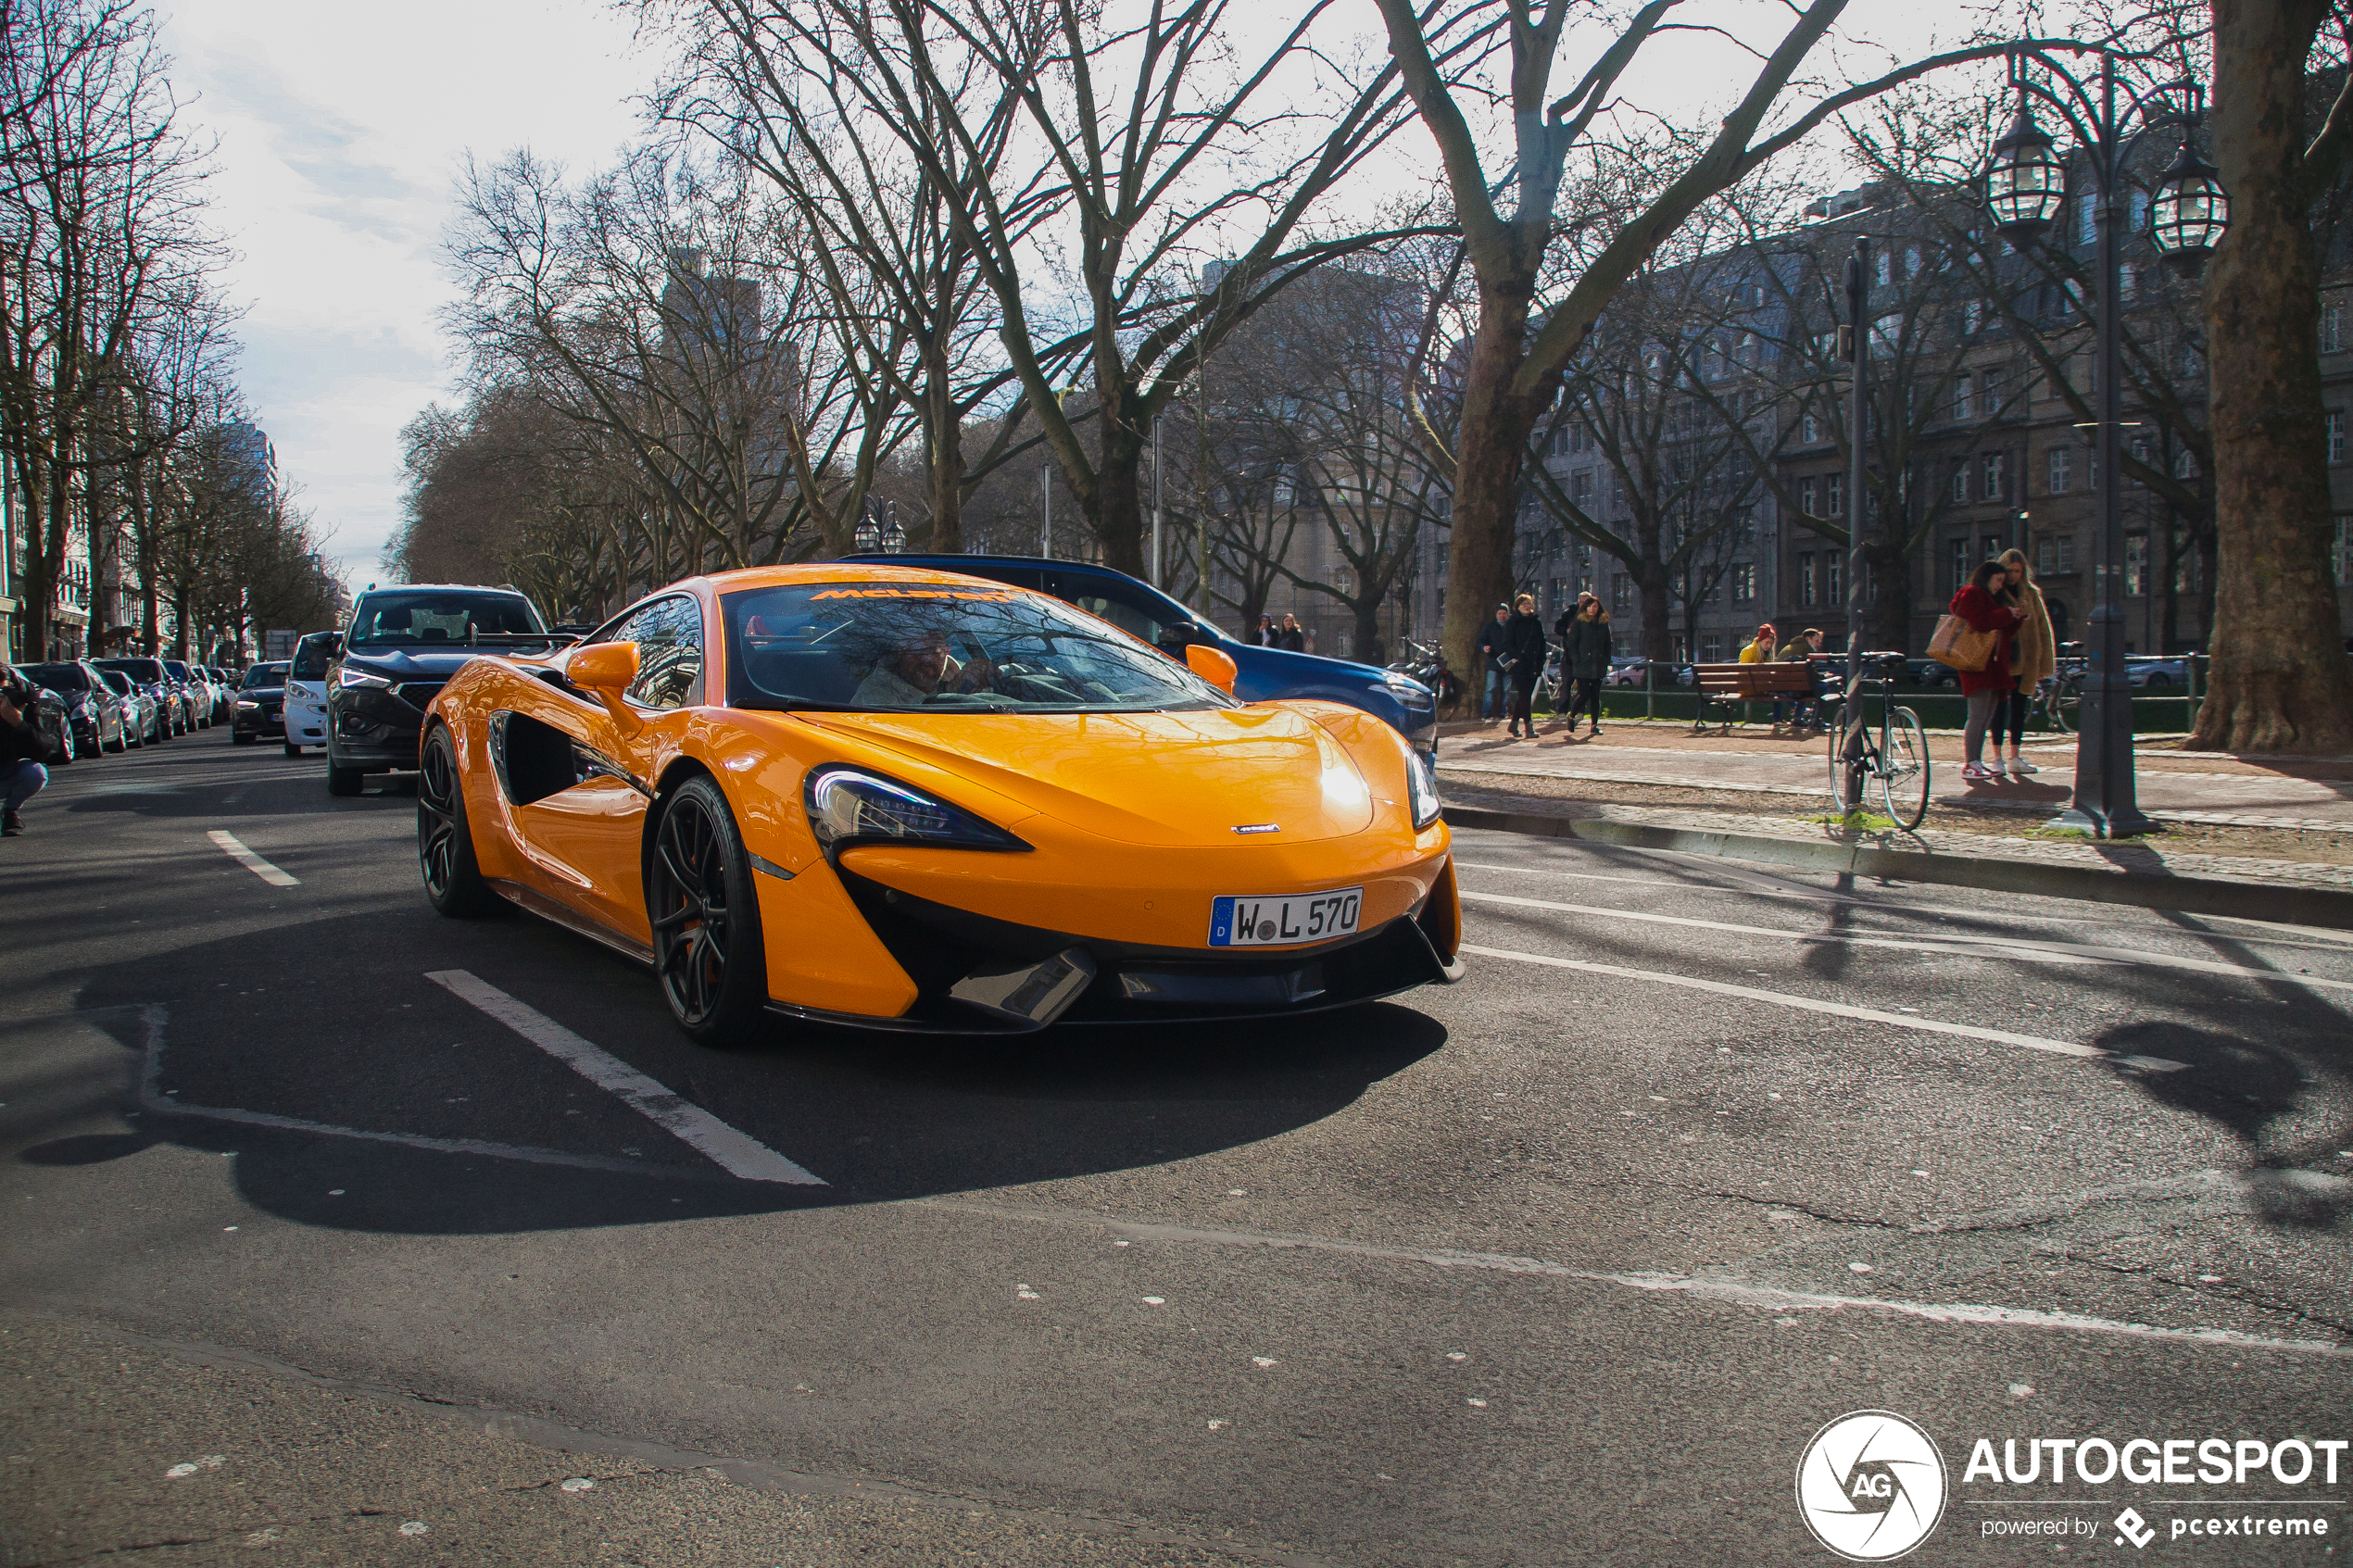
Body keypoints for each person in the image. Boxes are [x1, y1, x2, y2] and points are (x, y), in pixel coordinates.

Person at [1949, 559, 2026, 782]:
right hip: (1978, 664)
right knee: (1978, 715)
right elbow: (1980, 623)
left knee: (1986, 716)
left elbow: (2000, 629)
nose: (2001, 585)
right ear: (1987, 577)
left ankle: (1976, 761)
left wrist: (2014, 618)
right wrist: (2007, 614)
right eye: (1998, 580)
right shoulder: (1972, 594)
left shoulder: (1987, 598)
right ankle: (1970, 763)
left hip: (1991, 665)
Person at [1998, 547, 2056, 776]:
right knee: (1999, 708)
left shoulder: (2031, 594)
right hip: (2003, 658)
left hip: (2026, 658)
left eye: (2018, 571)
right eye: (2010, 570)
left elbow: (2043, 627)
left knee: (2019, 708)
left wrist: (2044, 665)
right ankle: (1996, 758)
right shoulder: (1995, 591)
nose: (2013, 575)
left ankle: (2014, 755)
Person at [851, 630, 996, 708]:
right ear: (900, 652)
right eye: (916, 650)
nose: (926, 659)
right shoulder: (875, 695)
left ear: (946, 651)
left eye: (935, 651)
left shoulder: (972, 676)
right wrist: (949, 694)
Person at [1, 674, 57, 836]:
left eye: (3, 691)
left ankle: (10, 811)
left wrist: (19, 724)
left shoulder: (20, 707)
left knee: (35, 773)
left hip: (5, 772)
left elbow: (42, 750)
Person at [1561, 596, 1613, 738]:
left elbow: (1608, 643)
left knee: (1595, 695)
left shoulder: (1603, 623)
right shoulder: (1579, 621)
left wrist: (1606, 660)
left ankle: (1594, 725)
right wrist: (1577, 659)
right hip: (1582, 664)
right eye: (1590, 606)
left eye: (1595, 606)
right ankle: (1571, 716)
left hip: (1598, 664)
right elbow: (1571, 643)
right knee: (1584, 693)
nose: (1592, 609)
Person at [1502, 593, 1547, 739]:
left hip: (1533, 664)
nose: (1527, 606)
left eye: (1529, 604)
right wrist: (1517, 656)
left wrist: (1541, 660)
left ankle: (1513, 724)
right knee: (1525, 695)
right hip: (1519, 664)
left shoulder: (1536, 622)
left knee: (1523, 696)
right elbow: (1508, 643)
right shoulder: (1512, 622)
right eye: (1524, 604)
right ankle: (1529, 728)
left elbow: (1541, 642)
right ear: (1517, 606)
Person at [1475, 603, 1512, 721]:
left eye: (1504, 614)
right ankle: (1486, 712)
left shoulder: (1511, 627)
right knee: (1490, 688)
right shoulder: (1490, 627)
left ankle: (1503, 712)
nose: (1502, 616)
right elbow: (1480, 641)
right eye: (1500, 613)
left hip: (1508, 662)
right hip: (1493, 661)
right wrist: (1484, 647)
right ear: (1496, 615)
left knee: (1506, 689)